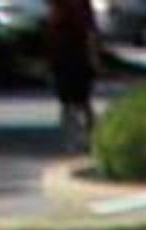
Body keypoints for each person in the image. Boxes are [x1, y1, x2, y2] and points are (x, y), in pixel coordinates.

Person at [44, 0, 99, 155]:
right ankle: (75, 140)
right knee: (70, 103)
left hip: (76, 58)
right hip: (63, 59)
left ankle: (86, 139)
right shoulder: (58, 7)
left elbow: (90, 33)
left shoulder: (79, 6)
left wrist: (93, 58)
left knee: (80, 103)